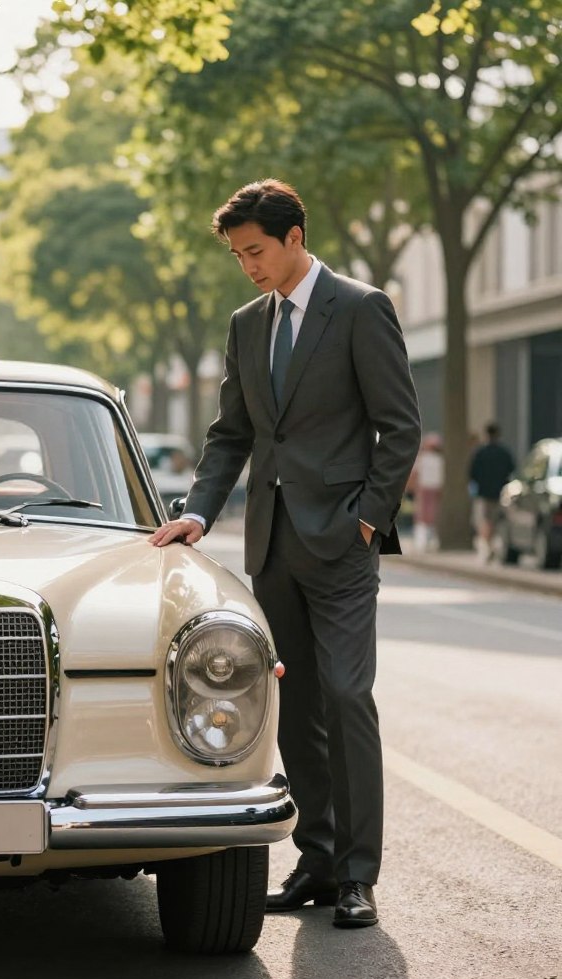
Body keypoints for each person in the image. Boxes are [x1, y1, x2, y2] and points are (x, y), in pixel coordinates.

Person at [149, 179, 421, 928]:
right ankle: (319, 860)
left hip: (340, 543)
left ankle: (360, 873)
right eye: (238, 256)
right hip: (271, 543)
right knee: (296, 706)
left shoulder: (362, 308)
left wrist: (366, 521)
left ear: (295, 237)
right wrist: (198, 513)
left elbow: (399, 427)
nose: (249, 267)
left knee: (345, 695)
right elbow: (231, 433)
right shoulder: (246, 325)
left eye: (257, 251)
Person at [468, 423, 515, 561]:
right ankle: (493, 545)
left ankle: (489, 546)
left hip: (484, 493)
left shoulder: (480, 452)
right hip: (500, 493)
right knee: (496, 520)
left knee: (485, 520)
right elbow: (511, 469)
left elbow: (472, 473)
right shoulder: (505, 452)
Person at [409, 433, 445, 552]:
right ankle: (432, 540)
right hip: (435, 489)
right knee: (434, 514)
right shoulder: (441, 460)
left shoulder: (421, 458)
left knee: (422, 515)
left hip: (424, 489)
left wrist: (412, 487)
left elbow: (414, 475)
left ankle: (422, 542)